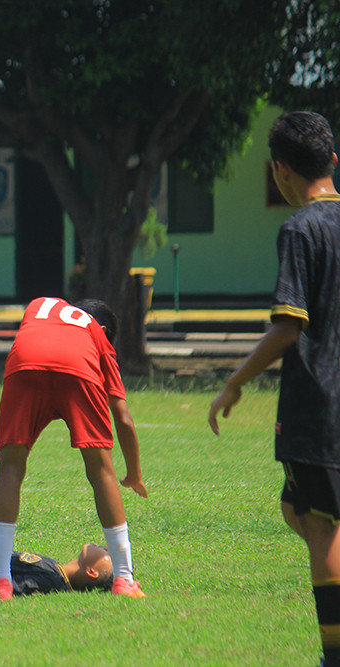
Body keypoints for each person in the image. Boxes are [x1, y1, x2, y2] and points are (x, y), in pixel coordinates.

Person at [209, 111, 340, 667]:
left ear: (279, 170)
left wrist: (234, 382)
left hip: (318, 405)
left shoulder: (300, 229)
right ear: (333, 161)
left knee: (320, 528)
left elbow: (288, 326)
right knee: (296, 508)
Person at [0, 297, 148, 601]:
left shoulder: (40, 305)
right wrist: (134, 474)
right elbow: (124, 418)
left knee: (10, 467)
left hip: (25, 363)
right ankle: (124, 579)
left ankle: (0, 581)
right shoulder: (95, 332)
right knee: (101, 471)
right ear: (103, 330)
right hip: (77, 370)